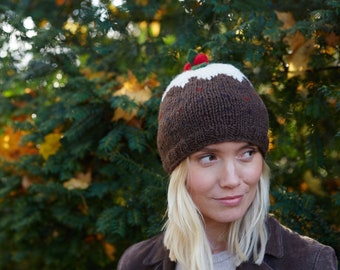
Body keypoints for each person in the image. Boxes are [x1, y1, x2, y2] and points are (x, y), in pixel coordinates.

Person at [117, 53, 338, 270]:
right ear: (178, 170)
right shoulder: (136, 262)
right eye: (209, 157)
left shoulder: (311, 262)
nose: (231, 180)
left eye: (247, 153)